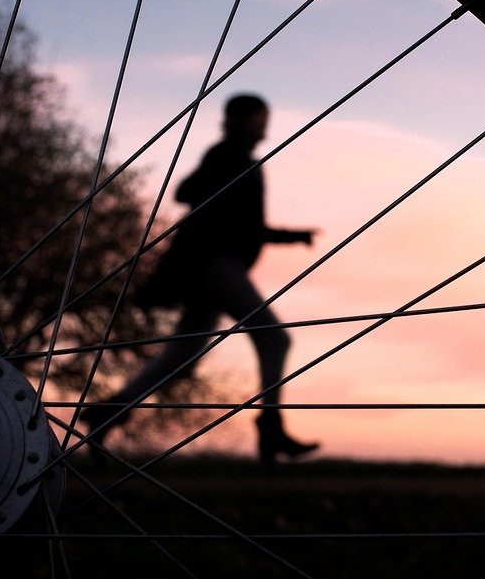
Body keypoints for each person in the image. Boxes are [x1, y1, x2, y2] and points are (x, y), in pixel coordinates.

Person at [83, 93, 320, 466]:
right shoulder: (228, 157)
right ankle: (271, 428)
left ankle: (107, 412)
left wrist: (292, 236)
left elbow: (246, 227)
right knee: (274, 338)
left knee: (182, 354)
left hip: (214, 268)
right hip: (215, 267)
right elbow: (189, 194)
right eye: (260, 118)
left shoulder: (237, 159)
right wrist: (226, 202)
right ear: (241, 120)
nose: (264, 125)